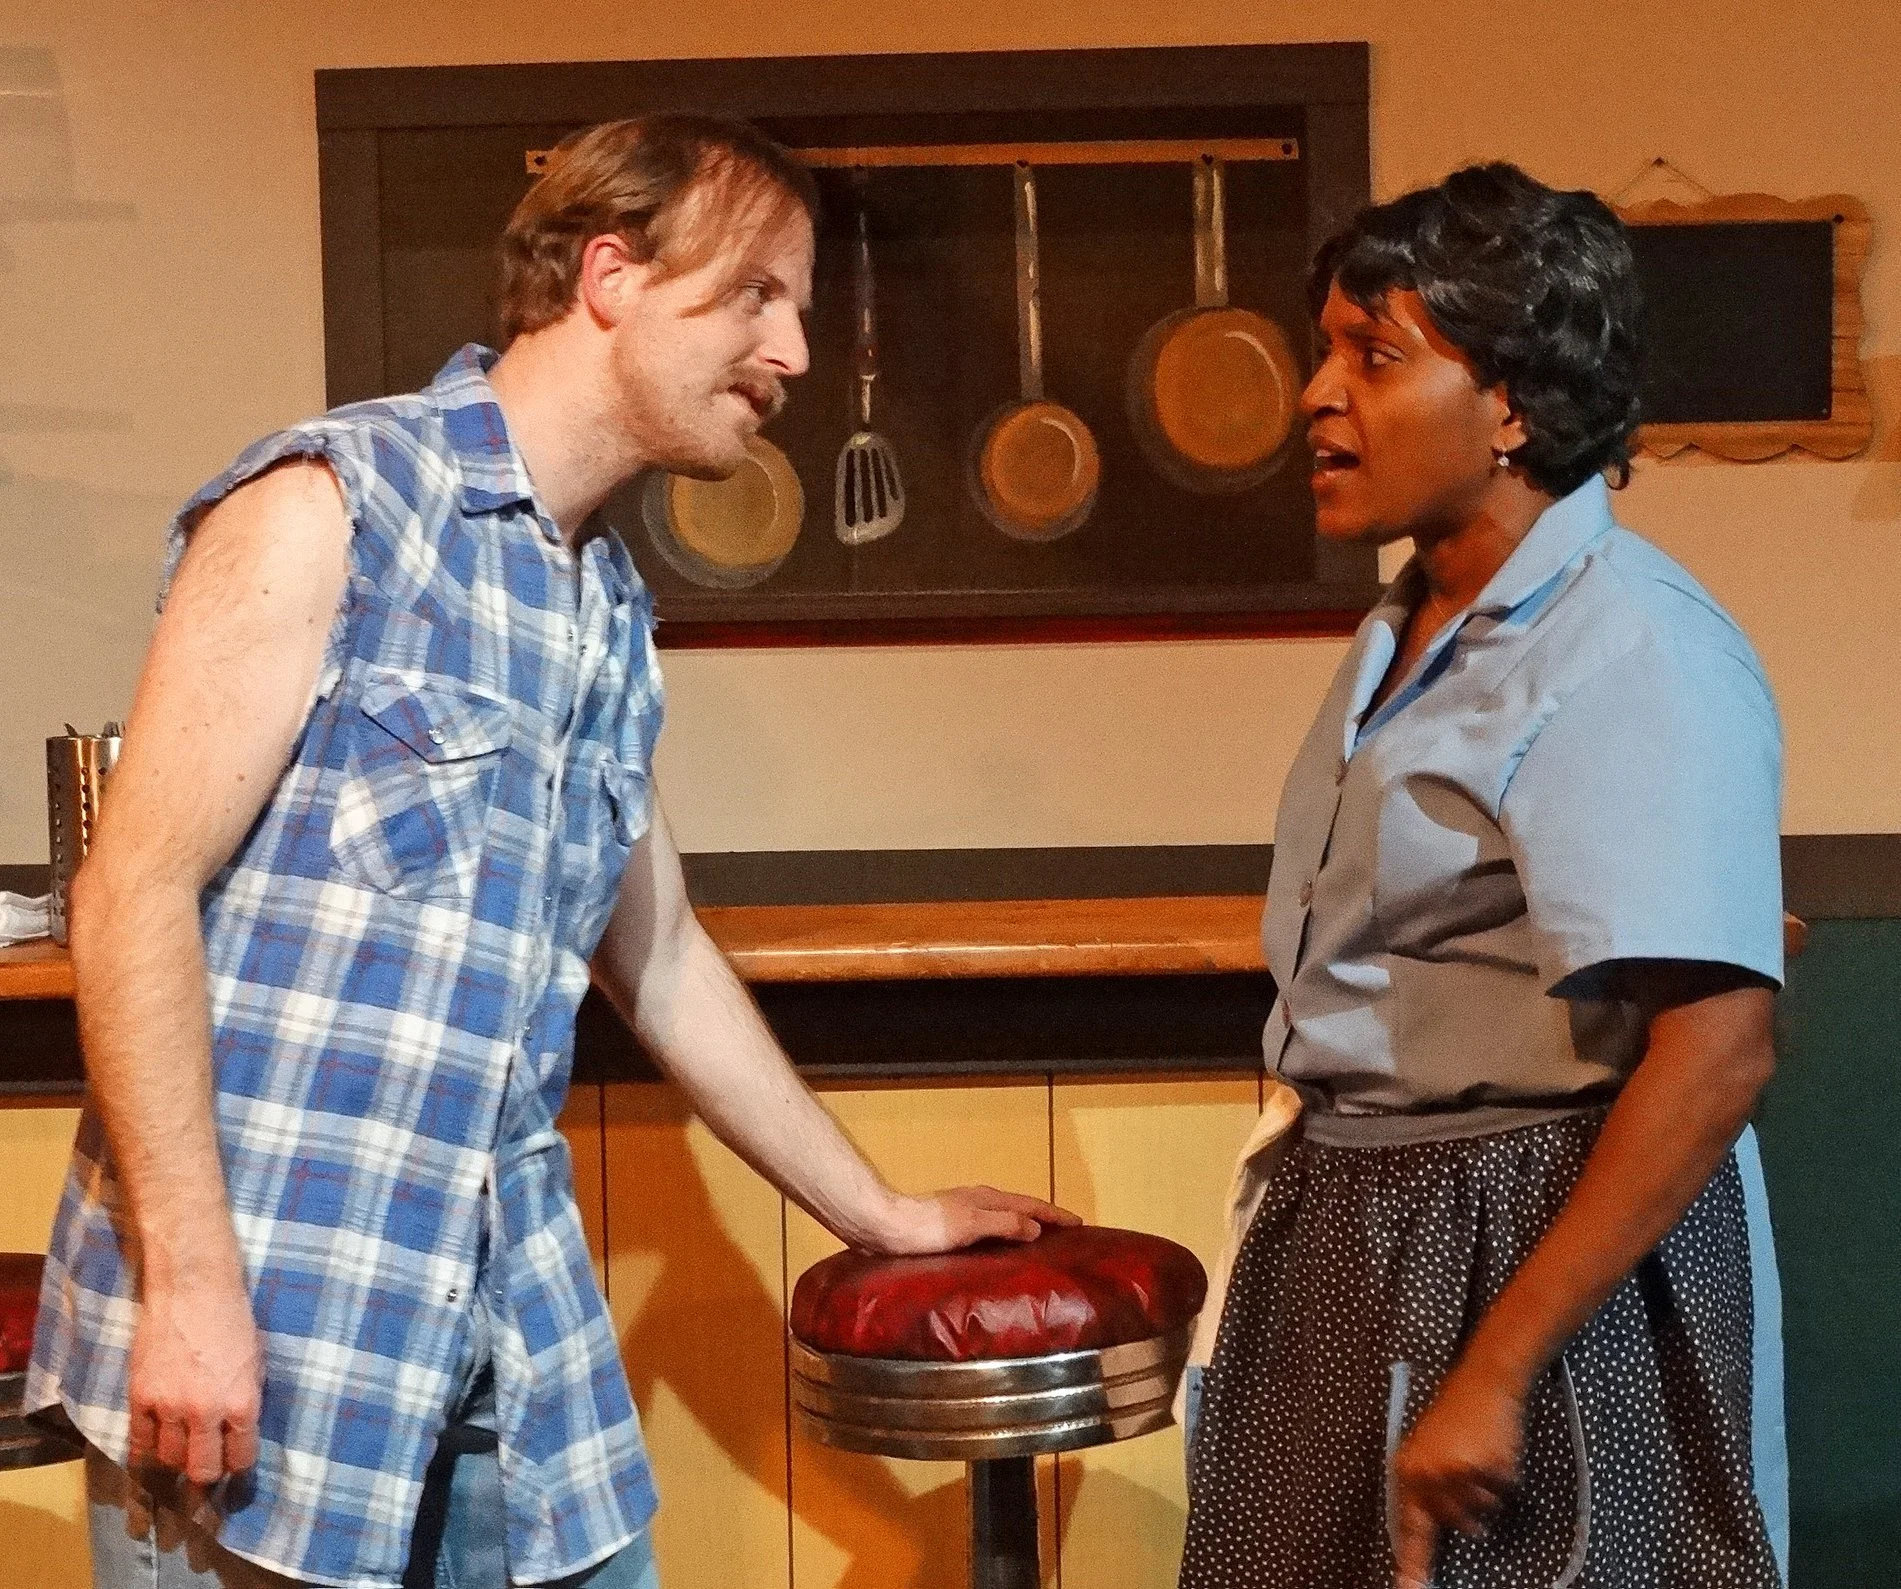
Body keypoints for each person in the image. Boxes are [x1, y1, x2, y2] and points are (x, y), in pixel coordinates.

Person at [28, 116, 1072, 1589]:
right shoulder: (335, 505)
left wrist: (882, 1211)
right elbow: (130, 893)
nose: (792, 355)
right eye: (757, 297)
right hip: (268, 1336)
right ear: (610, 273)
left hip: (499, 1337)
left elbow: (664, 958)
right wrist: (193, 1288)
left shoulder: (606, 611)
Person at [1177, 163, 1786, 1589]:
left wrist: (1501, 1365)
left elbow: (1717, 1054)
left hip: (1537, 1240)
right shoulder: (1412, 625)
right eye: (1326, 349)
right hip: (1352, 1215)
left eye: (1373, 357)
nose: (1319, 394)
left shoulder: (1630, 648)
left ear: (1512, 405)